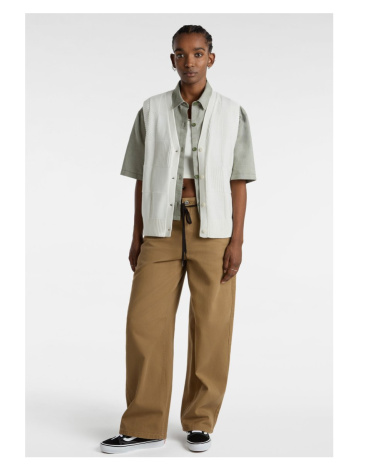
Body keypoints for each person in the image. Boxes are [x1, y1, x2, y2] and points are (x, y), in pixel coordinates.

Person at [101, 24, 256, 455]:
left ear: (211, 58)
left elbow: (239, 180)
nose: (190, 61)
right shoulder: (150, 110)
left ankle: (200, 421)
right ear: (172, 59)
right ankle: (144, 425)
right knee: (144, 324)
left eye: (198, 53)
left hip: (214, 229)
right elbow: (140, 178)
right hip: (161, 228)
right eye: (181, 54)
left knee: (212, 326)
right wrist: (137, 235)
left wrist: (237, 240)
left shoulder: (232, 113)